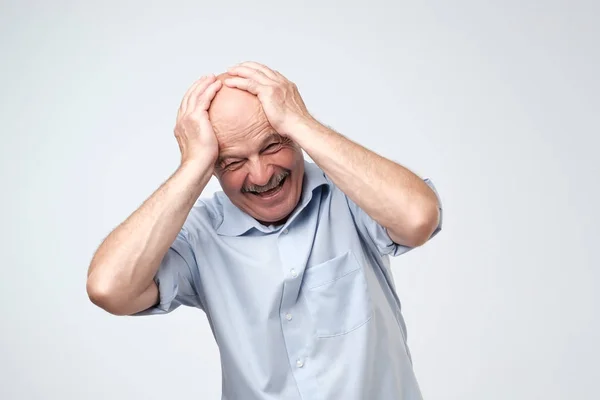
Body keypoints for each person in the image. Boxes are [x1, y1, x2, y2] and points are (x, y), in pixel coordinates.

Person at [86, 61, 443, 400]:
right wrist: (192, 165)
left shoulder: (351, 198)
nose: (260, 176)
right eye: (233, 162)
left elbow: (417, 218)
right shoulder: (199, 238)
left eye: (271, 145)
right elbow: (109, 289)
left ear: (293, 137)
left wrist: (301, 121)